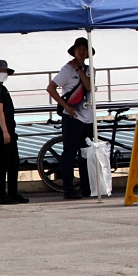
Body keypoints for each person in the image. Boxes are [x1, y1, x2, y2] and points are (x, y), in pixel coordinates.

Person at [47, 37, 94, 200]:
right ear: (73, 51)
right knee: (69, 153)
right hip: (72, 117)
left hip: (88, 118)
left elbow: (89, 87)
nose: (82, 51)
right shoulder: (66, 70)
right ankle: (68, 189)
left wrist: (80, 70)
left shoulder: (90, 69)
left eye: (84, 48)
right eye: (78, 48)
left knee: (86, 154)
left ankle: (87, 187)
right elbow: (51, 88)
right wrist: (66, 107)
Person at [0, 59, 28, 205]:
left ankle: (12, 192)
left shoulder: (0, 88)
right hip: (2, 132)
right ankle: (2, 194)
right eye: (0, 71)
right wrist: (5, 131)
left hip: (8, 130)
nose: (3, 73)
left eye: (4, 71)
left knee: (13, 162)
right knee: (3, 163)